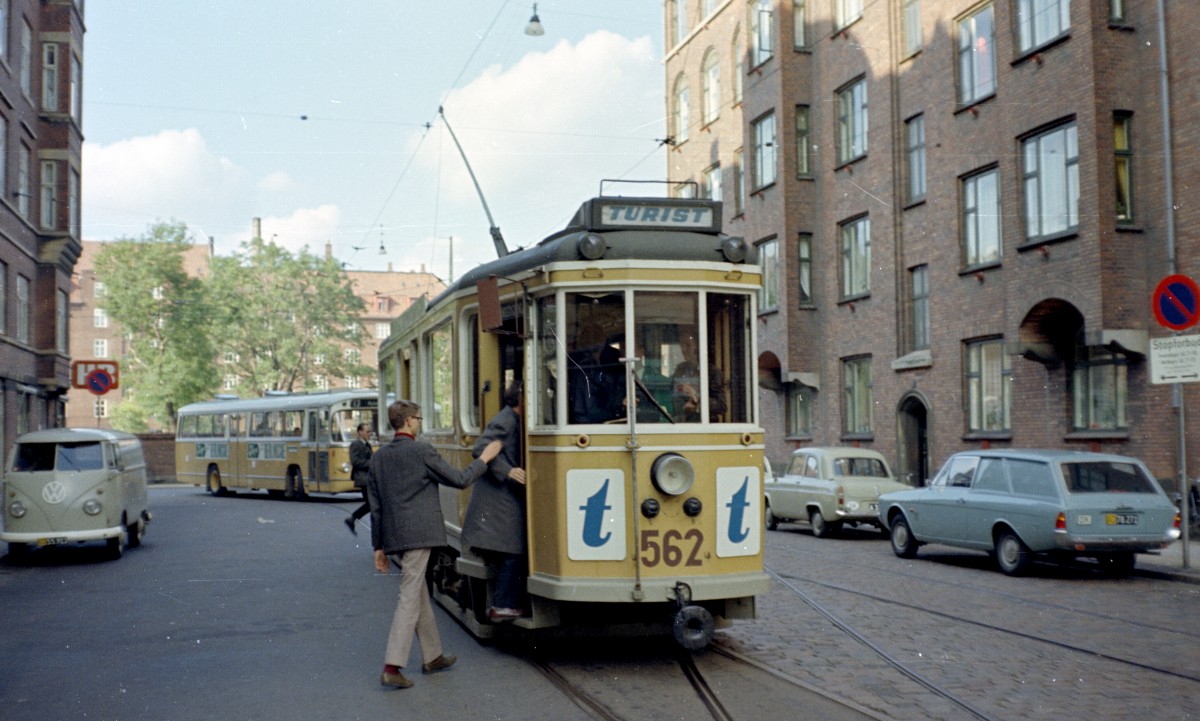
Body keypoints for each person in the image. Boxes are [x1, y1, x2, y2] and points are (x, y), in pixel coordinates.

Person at [368, 399, 503, 689]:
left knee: (417, 593)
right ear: (407, 422)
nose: (419, 422)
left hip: (395, 536)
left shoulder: (379, 457)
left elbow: (375, 505)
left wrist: (378, 547)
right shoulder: (422, 451)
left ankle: (433, 656)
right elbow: (460, 479)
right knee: (409, 596)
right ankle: (392, 666)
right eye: (417, 418)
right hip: (419, 534)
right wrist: (485, 458)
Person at [461, 382, 529, 621]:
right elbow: (481, 447)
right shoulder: (505, 420)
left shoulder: (513, 419)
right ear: (521, 398)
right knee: (514, 549)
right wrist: (508, 471)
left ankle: (506, 603)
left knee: (514, 550)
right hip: (498, 499)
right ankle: (502, 605)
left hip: (504, 498)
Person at [672, 332, 727, 422]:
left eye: (688, 345)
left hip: (706, 426)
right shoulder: (679, 370)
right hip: (682, 424)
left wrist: (697, 397)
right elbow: (674, 400)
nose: (684, 350)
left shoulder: (711, 372)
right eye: (682, 345)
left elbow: (722, 406)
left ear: (697, 347)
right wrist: (683, 409)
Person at [343, 423, 373, 535]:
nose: (369, 434)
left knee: (371, 503)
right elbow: (355, 461)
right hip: (362, 478)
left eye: (370, 431)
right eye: (367, 431)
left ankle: (352, 519)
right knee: (371, 503)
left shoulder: (367, 445)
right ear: (360, 432)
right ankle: (352, 518)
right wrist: (371, 463)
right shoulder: (356, 444)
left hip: (368, 477)